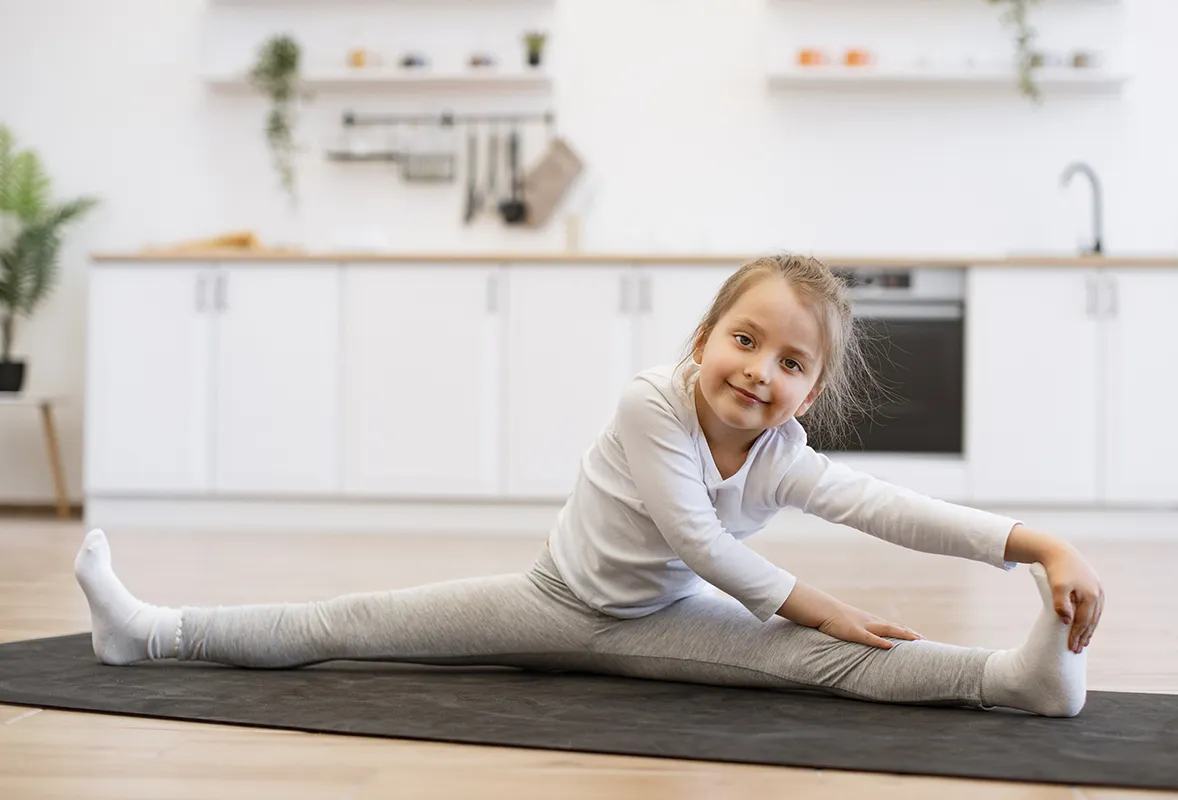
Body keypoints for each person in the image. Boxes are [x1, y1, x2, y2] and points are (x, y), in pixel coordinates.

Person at [74, 253, 1103, 717]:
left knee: (836, 662)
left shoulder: (784, 451)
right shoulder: (648, 404)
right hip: (558, 600)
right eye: (745, 340)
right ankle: (150, 631)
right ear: (703, 339)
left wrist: (1039, 546)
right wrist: (817, 601)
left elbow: (888, 506)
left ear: (812, 388)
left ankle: (1017, 681)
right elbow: (700, 537)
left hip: (669, 616)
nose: (760, 370)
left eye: (791, 362)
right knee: (346, 620)